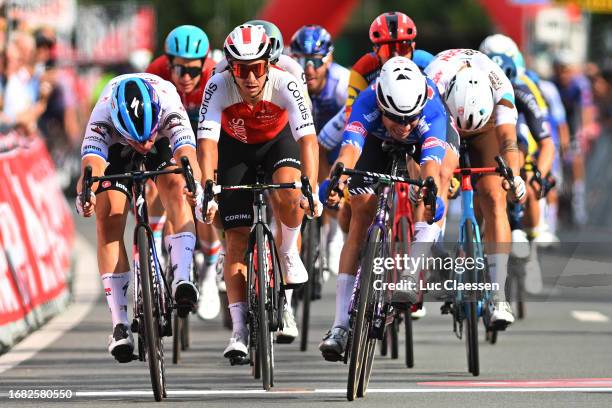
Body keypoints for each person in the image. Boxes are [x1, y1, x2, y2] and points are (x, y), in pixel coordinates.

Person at [318, 57, 459, 361]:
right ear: (381, 106)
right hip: (374, 143)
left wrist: (431, 193)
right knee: (360, 219)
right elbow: (350, 151)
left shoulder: (429, 110)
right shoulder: (366, 101)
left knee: (435, 189)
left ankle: (411, 270)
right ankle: (340, 325)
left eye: (410, 119)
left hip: (429, 139)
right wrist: (338, 181)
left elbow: (431, 166)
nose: (404, 126)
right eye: (397, 118)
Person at [195, 24, 321, 360]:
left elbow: (308, 139)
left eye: (257, 69)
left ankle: (288, 250)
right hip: (235, 148)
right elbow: (206, 145)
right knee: (235, 237)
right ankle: (238, 330)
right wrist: (207, 188)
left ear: (269, 65)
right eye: (241, 70)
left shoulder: (286, 81)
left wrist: (311, 186)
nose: (250, 78)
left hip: (278, 143)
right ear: (230, 68)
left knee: (290, 192)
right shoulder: (217, 84)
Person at [76, 73, 201, 362]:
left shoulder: (168, 102)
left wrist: (196, 187)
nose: (143, 145)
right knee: (108, 219)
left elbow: (187, 156)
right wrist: (87, 194)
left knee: (177, 185)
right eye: (138, 139)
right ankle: (120, 324)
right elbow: (91, 167)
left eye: (146, 138)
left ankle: (183, 276)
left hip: (163, 140)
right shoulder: (103, 115)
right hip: (117, 148)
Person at [425, 48, 527, 329]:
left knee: (495, 198)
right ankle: (432, 253)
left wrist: (514, 177)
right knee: (438, 181)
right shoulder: (434, 80)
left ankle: (498, 295)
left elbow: (508, 142)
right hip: (445, 122)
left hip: (487, 127)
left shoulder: (501, 90)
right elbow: (422, 141)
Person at [146, 25, 221, 320]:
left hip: (203, 131)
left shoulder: (215, 75)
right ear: (167, 62)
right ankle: (154, 251)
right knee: (158, 184)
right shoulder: (155, 71)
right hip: (166, 130)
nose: (185, 76)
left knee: (204, 194)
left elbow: (210, 138)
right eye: (178, 68)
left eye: (192, 70)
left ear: (204, 63)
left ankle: (210, 269)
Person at [290, 24, 349, 277]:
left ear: (329, 59)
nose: (309, 69)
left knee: (325, 149)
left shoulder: (341, 81)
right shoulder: (289, 77)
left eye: (315, 60)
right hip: (300, 136)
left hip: (333, 138)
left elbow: (353, 118)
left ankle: (333, 229)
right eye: (302, 60)